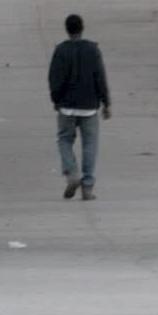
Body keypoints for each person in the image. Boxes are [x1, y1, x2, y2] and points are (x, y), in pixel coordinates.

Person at [48, 14, 111, 200]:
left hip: (66, 107)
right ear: (82, 28)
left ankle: (72, 173)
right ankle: (88, 187)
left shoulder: (60, 51)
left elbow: (54, 79)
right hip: (89, 107)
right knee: (90, 145)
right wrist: (106, 102)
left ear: (67, 29)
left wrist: (56, 100)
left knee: (64, 140)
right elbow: (100, 76)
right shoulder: (93, 50)